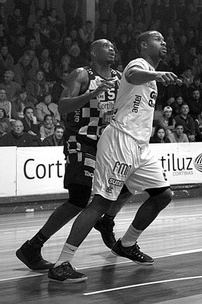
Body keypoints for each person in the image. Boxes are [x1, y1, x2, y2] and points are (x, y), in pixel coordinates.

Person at [47, 32, 179, 283]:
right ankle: (62, 263)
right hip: (120, 140)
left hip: (141, 146)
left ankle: (127, 244)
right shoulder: (137, 65)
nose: (163, 43)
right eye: (157, 40)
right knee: (99, 202)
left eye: (164, 40)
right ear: (143, 45)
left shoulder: (147, 78)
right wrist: (158, 74)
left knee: (163, 195)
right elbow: (132, 75)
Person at [16, 40, 129, 271]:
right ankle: (33, 246)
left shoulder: (119, 77)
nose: (112, 49)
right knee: (79, 199)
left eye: (113, 47)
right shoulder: (82, 74)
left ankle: (106, 222)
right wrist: (92, 94)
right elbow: (64, 106)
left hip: (107, 144)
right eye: (106, 46)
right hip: (81, 140)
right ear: (93, 52)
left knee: (128, 184)